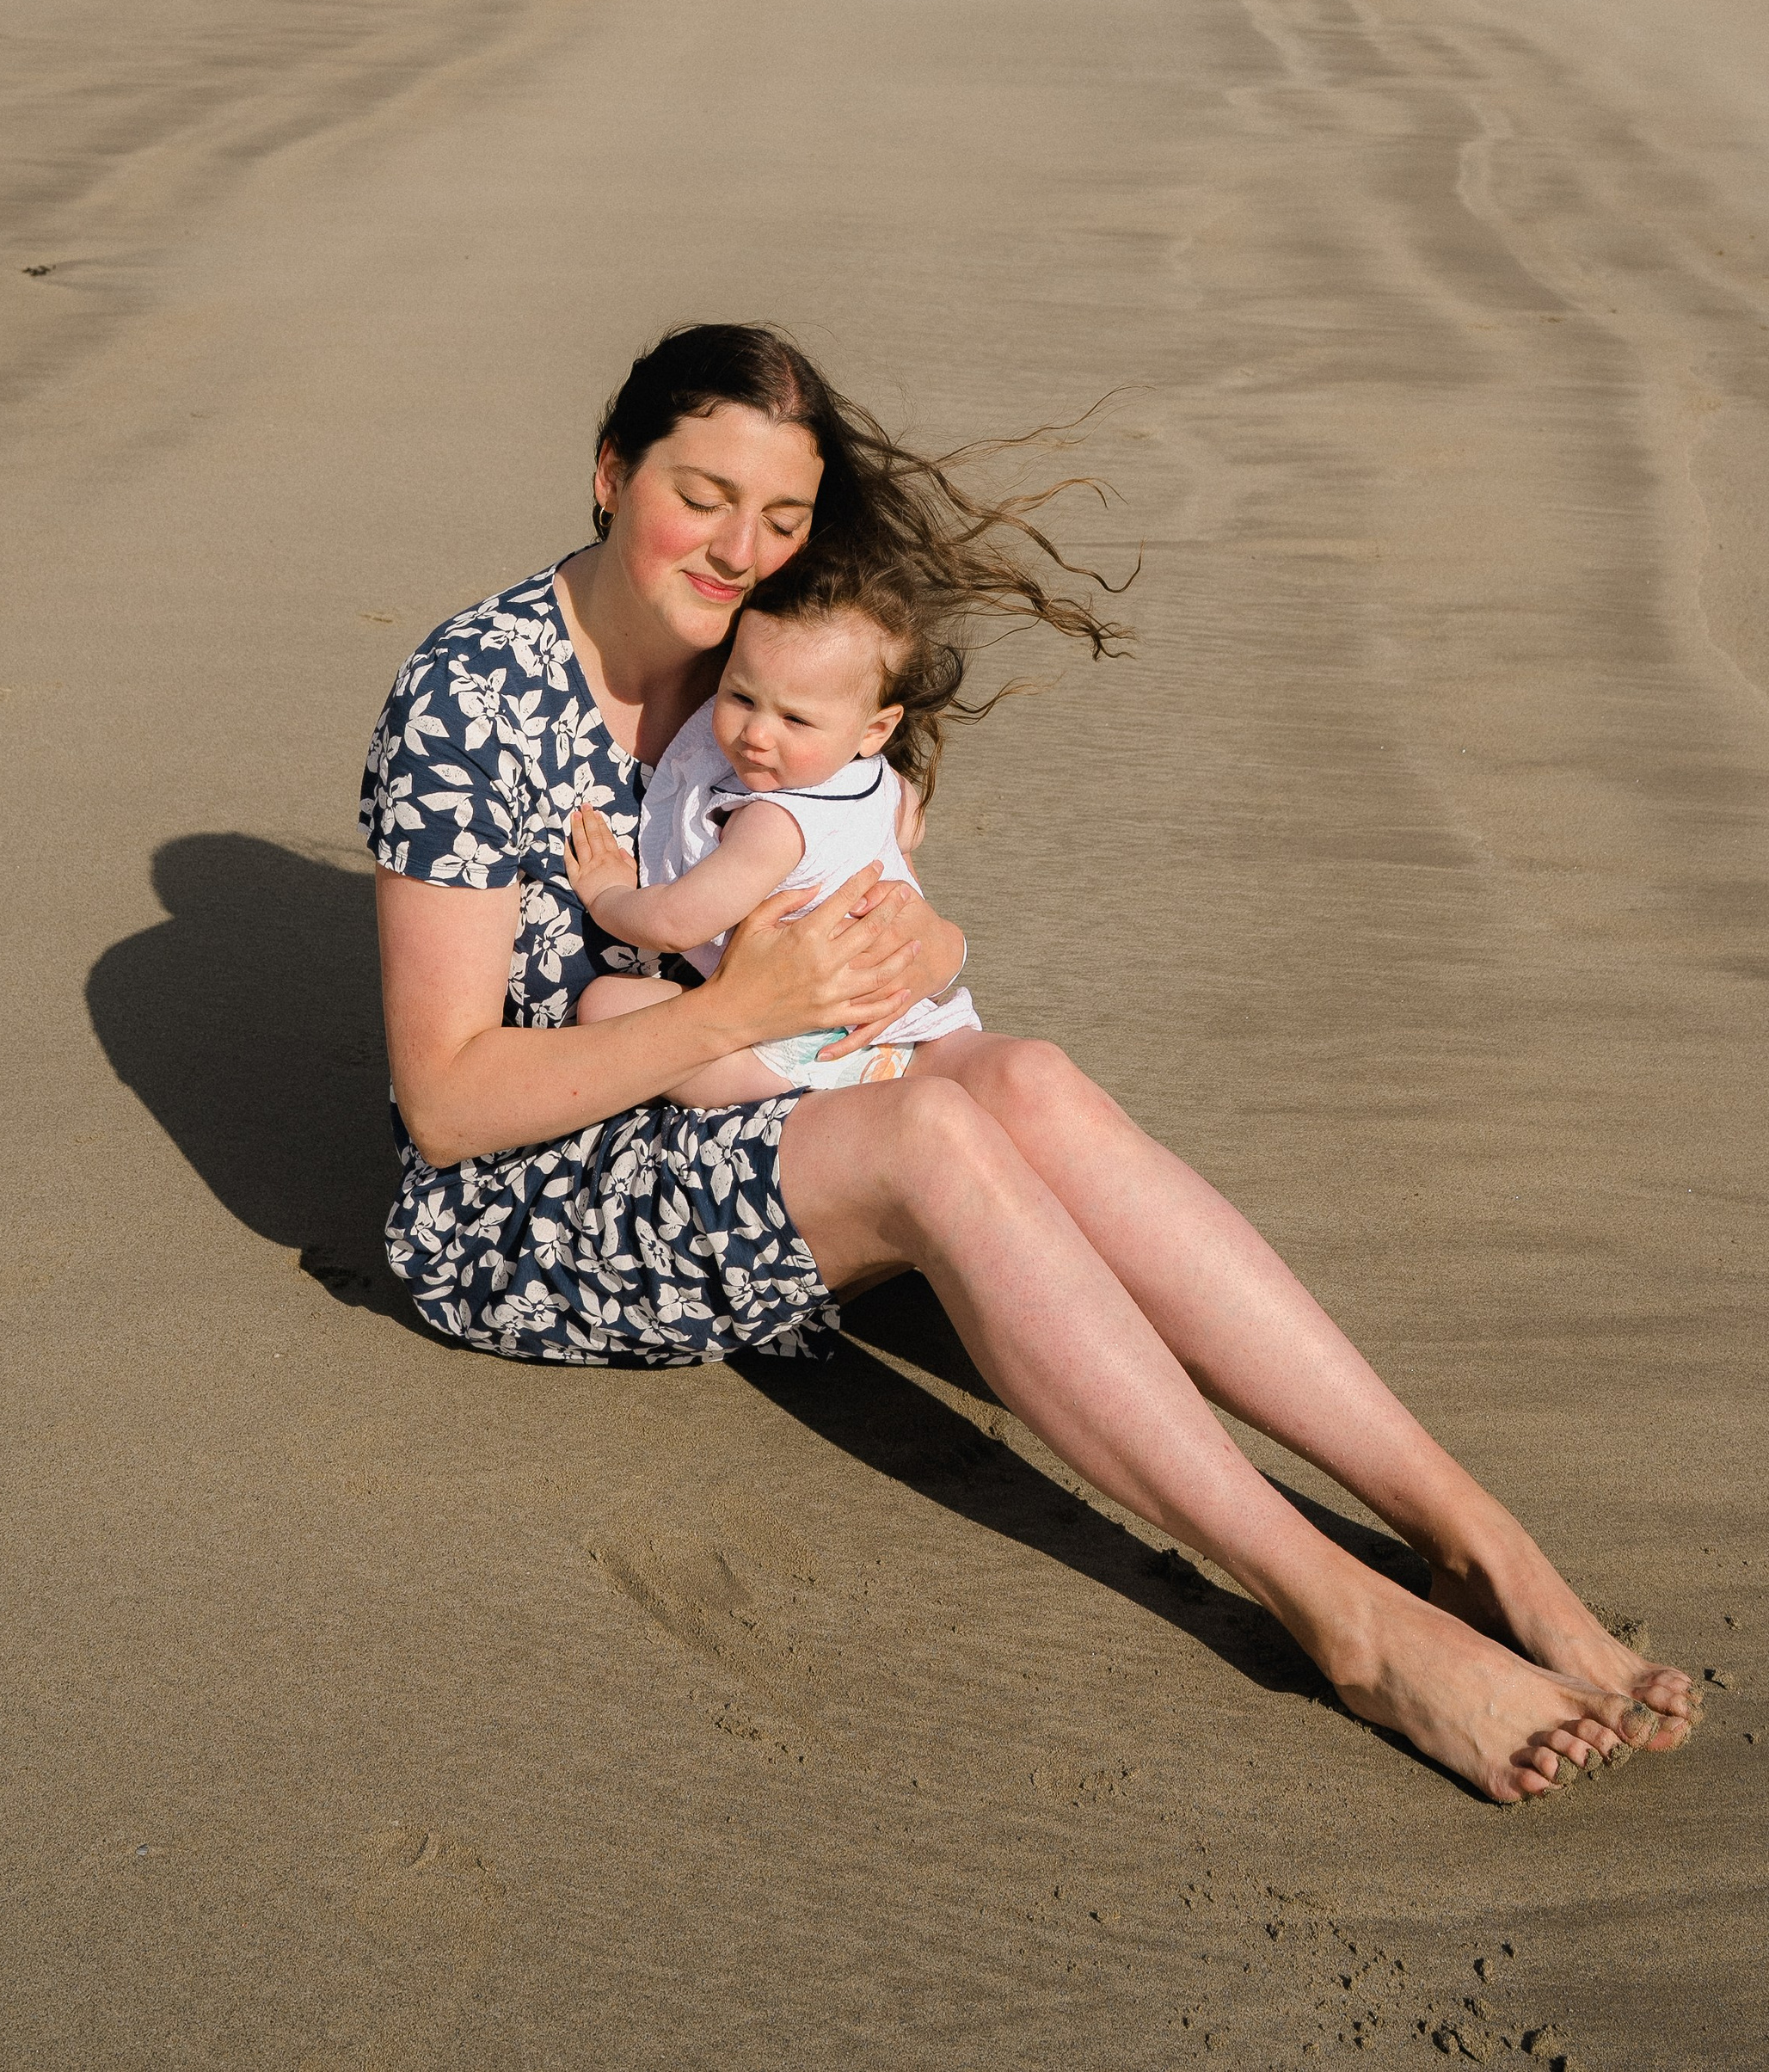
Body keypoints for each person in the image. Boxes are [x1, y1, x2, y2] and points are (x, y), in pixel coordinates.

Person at [364, 321, 1698, 1803]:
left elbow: (898, 908)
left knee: (1029, 1080)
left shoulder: (790, 654)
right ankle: (1349, 1614)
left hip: (763, 1089)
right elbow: (447, 1103)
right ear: (612, 474)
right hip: (543, 1199)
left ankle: (1471, 1534)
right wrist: (736, 1016)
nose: (741, 547)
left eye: (785, 516)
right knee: (938, 1144)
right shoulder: (473, 696)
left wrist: (922, 958)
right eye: (702, 493)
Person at [563, 544, 985, 1104]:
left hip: (798, 1046)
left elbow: (677, 923)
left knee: (604, 1005)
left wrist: (607, 894)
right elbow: (908, 835)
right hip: (898, 1020)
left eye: (794, 718)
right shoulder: (889, 786)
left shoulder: (773, 825)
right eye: (741, 696)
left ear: (875, 730)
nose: (757, 734)